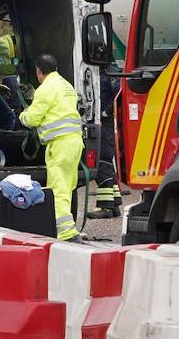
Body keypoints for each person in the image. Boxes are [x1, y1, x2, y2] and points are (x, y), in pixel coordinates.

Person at [19, 54, 84, 242]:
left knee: (59, 188)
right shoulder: (66, 85)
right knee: (68, 186)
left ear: (39, 72)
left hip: (60, 144)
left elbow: (32, 118)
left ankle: (65, 233)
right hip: (74, 141)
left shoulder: (45, 88)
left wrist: (22, 116)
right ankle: (66, 227)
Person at [87, 61, 122, 219]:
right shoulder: (103, 72)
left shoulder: (111, 73)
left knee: (102, 161)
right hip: (102, 121)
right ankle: (114, 205)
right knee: (105, 161)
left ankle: (105, 207)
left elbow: (119, 95)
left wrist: (105, 114)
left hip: (105, 122)